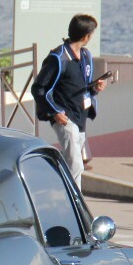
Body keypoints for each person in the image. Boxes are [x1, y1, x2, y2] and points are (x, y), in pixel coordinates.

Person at [32, 14, 108, 191]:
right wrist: (54, 112)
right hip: (65, 118)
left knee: (69, 164)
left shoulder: (85, 56)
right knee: (76, 165)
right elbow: (38, 88)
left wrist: (96, 87)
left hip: (80, 116)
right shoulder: (58, 58)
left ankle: (51, 192)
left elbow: (83, 87)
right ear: (86, 36)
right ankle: (77, 207)